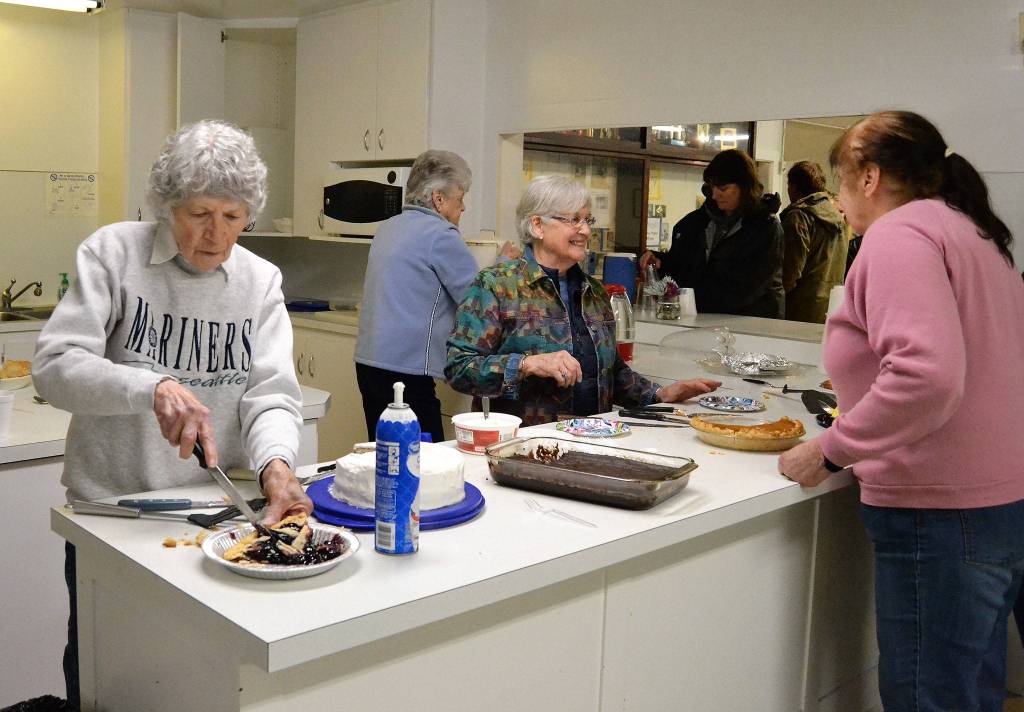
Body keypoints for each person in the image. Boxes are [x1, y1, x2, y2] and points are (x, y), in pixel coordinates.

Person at [33, 120, 313, 710]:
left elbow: (270, 393)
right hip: (113, 510)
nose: (215, 235)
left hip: (219, 517)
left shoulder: (260, 281)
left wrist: (278, 467)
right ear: (167, 206)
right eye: (199, 213)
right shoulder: (113, 253)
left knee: (199, 679)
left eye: (233, 217)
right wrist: (150, 386)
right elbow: (55, 365)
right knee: (105, 675)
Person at [777, 110, 1024, 712]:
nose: (837, 198)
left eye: (840, 180)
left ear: (869, 178)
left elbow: (925, 375)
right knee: (971, 694)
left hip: (939, 510)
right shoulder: (971, 231)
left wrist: (830, 449)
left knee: (930, 699)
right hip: (998, 500)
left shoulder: (899, 234)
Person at [445, 175, 719, 425]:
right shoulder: (496, 286)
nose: (586, 231)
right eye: (573, 220)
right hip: (523, 448)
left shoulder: (595, 292)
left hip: (593, 442)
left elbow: (611, 371)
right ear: (537, 224)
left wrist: (660, 393)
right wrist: (527, 364)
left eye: (587, 220)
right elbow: (459, 368)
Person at [355, 149, 520, 443]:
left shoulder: (387, 228)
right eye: (461, 197)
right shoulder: (440, 234)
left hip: (369, 362)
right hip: (407, 370)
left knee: (386, 453)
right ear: (438, 199)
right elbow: (477, 299)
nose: (464, 207)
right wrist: (503, 266)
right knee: (426, 458)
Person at [639, 149, 784, 318]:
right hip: (697, 321)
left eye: (723, 188)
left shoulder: (766, 229)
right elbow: (681, 266)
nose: (715, 195)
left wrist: (690, 300)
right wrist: (659, 261)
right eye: (712, 188)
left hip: (751, 326)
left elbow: (747, 289)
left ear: (744, 187)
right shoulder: (692, 224)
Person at [779, 161, 847, 323]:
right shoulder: (836, 216)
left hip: (799, 307)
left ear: (794, 187)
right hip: (829, 305)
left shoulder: (799, 217)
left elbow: (791, 270)